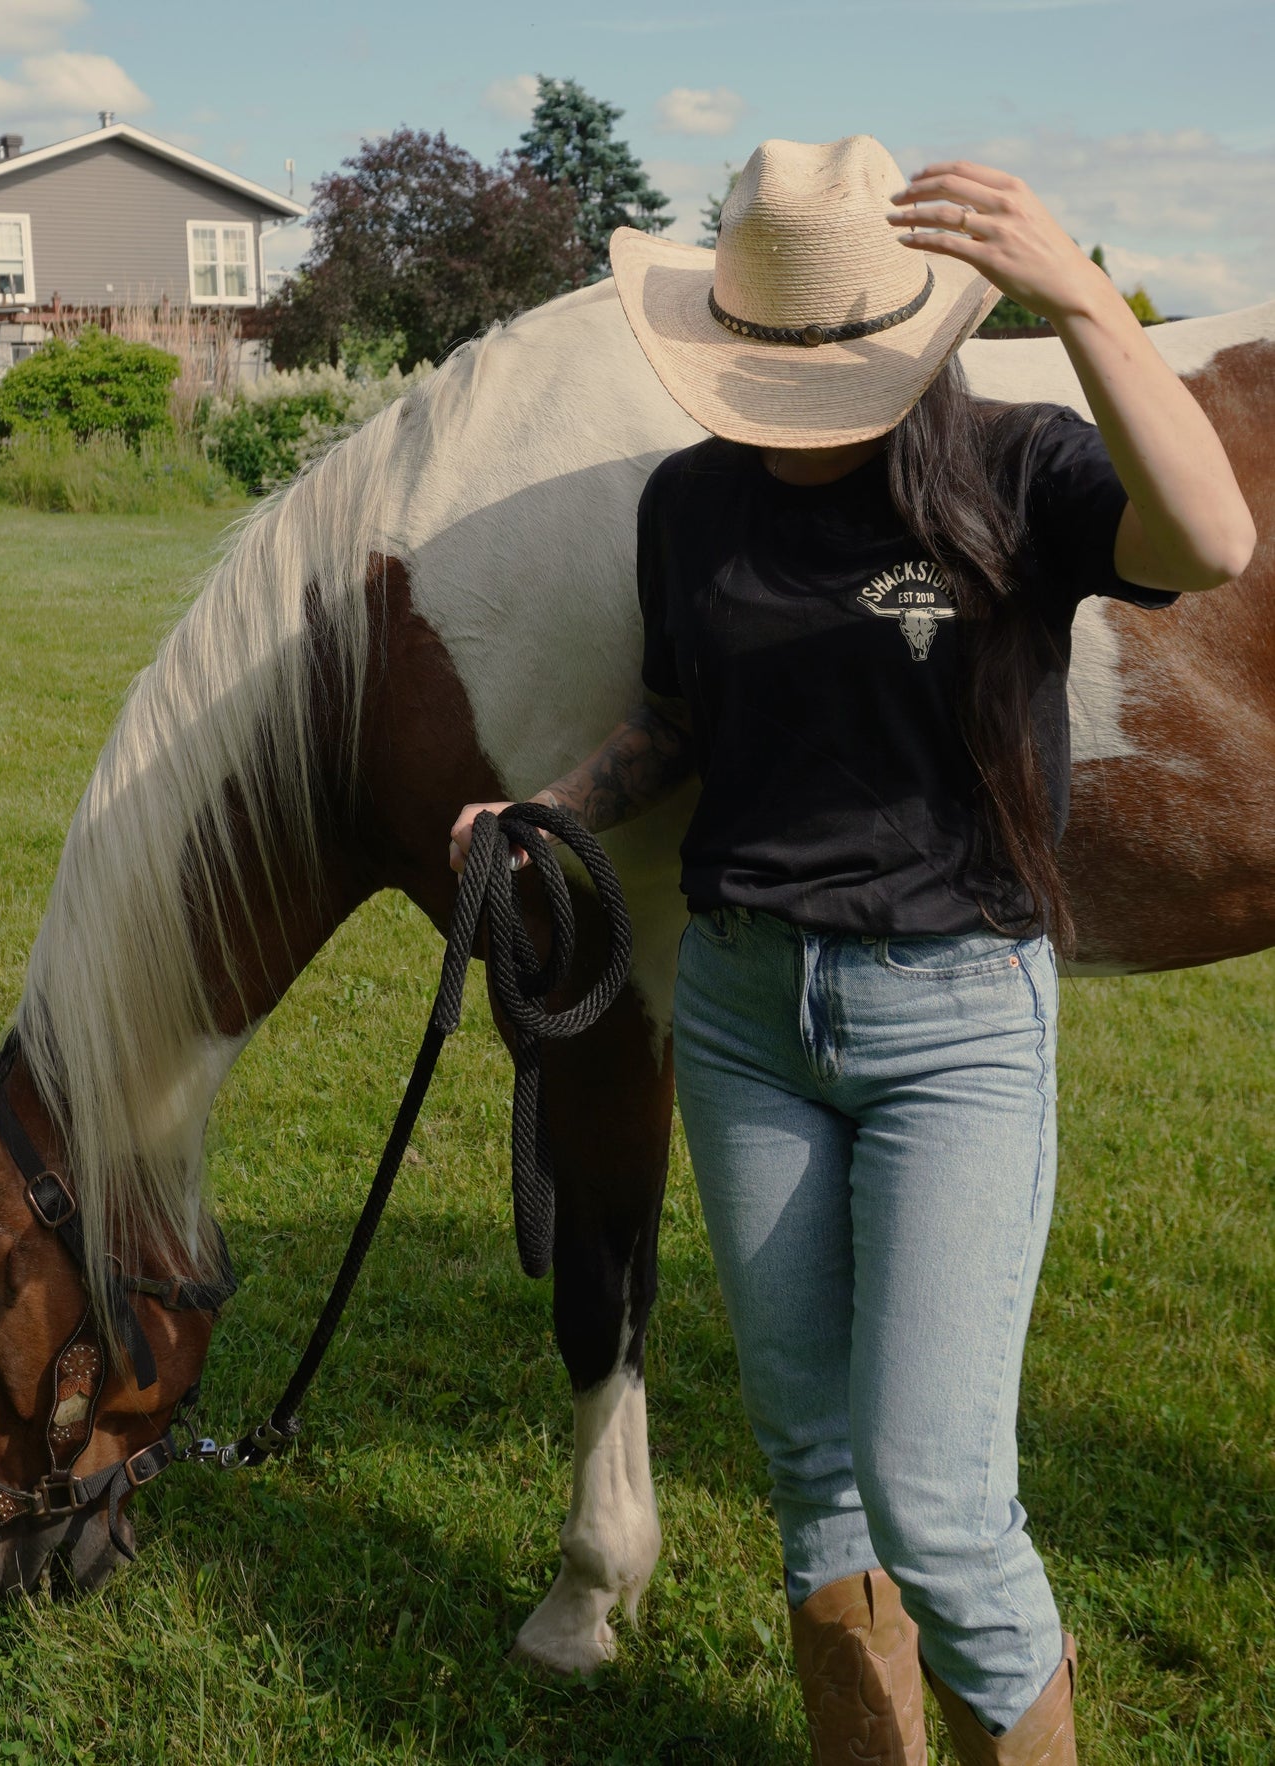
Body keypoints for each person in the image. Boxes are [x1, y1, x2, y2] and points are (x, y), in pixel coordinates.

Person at [450, 136, 1255, 1764]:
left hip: (953, 1017)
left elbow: (1211, 543)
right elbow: (680, 713)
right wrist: (551, 806)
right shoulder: (688, 500)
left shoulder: (1018, 471)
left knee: (941, 1504)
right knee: (810, 1467)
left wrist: (1086, 299)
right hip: (749, 1017)